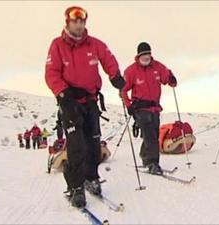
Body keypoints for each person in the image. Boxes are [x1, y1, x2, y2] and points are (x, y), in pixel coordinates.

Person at [45, 6, 125, 208]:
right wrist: (63, 94)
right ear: (68, 23)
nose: (79, 25)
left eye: (82, 22)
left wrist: (115, 76)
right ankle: (76, 187)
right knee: (76, 146)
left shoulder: (95, 44)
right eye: (75, 21)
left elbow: (108, 59)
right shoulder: (57, 45)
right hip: (70, 102)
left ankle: (91, 177)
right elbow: (51, 73)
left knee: (93, 143)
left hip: (91, 101)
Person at [120, 42, 177, 175]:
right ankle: (153, 163)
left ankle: (144, 155)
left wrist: (172, 79)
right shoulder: (131, 71)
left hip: (155, 108)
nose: (146, 57)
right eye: (143, 55)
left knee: (154, 134)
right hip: (140, 108)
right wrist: (128, 105)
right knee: (150, 135)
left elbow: (167, 77)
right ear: (138, 56)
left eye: (148, 54)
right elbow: (123, 90)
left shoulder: (158, 67)